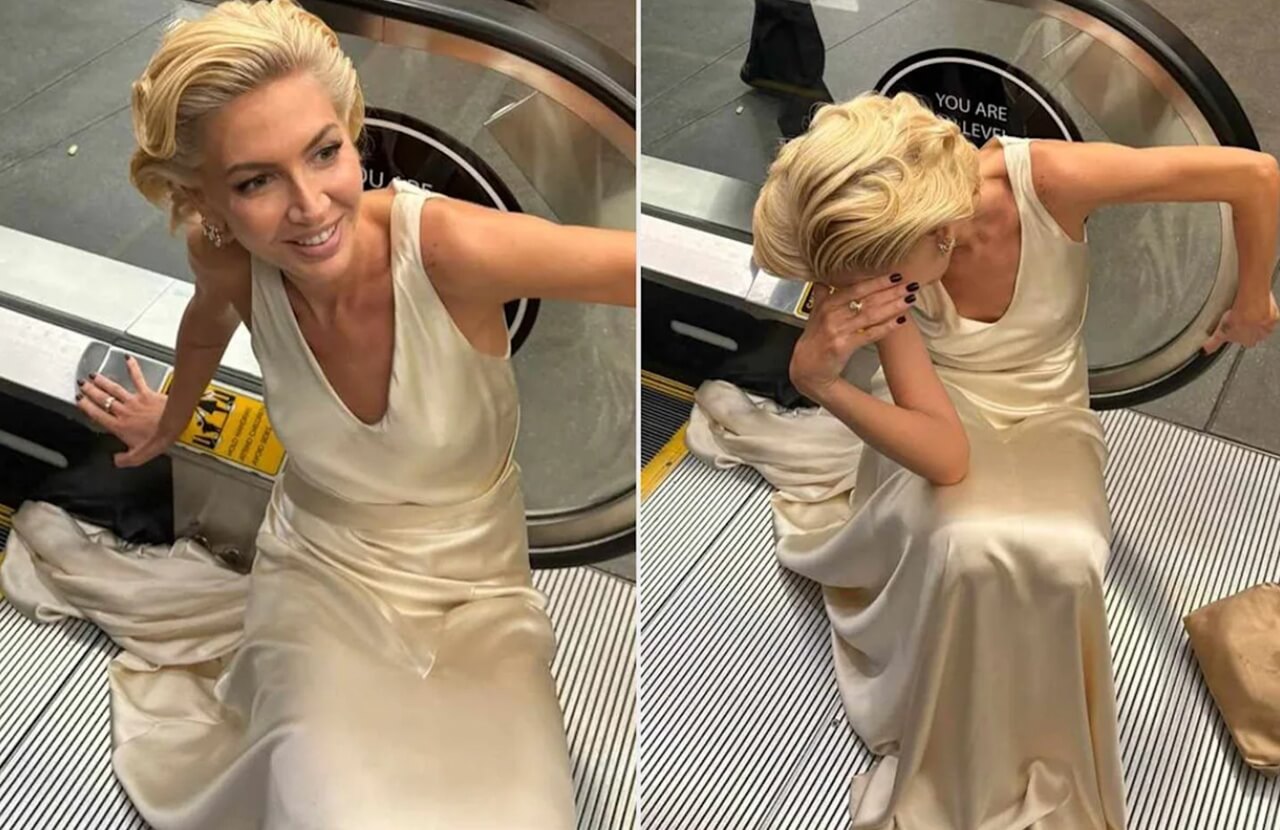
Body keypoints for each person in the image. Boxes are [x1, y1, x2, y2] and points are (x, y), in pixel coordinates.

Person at [27, 1, 633, 827]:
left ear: (352, 133)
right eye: (255, 181)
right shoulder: (227, 258)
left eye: (325, 153)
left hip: (475, 594)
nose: (311, 205)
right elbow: (205, 321)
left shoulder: (448, 247)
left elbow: (638, 264)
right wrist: (171, 418)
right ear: (204, 200)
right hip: (318, 567)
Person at [731, 91, 1278, 828]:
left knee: (1074, 550)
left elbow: (1255, 175)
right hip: (942, 401)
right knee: (966, 542)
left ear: (933, 222)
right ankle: (961, 714)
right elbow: (947, 455)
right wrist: (817, 381)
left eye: (888, 270)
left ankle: (1040, 728)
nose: (883, 289)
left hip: (1049, 402)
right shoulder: (877, 255)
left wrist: (1252, 299)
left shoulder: (1049, 179)